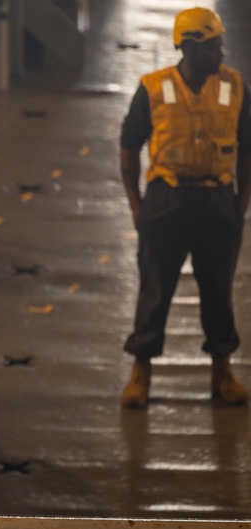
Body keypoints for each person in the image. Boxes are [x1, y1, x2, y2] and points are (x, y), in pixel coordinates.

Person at [120, 7, 251, 409]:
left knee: (218, 292)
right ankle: (141, 374)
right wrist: (137, 205)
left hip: (217, 202)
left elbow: (248, 149)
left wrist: (240, 205)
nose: (222, 54)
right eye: (214, 47)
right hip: (167, 201)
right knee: (155, 290)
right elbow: (129, 146)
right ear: (191, 48)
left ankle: (222, 372)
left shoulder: (235, 86)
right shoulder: (154, 88)